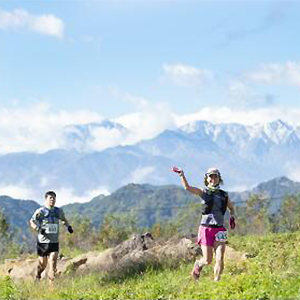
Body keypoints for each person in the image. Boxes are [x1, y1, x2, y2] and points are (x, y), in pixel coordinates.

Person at [173, 167, 236, 281]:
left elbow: (231, 208)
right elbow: (188, 188)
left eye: (215, 176)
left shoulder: (224, 195)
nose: (213, 178)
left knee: (220, 257)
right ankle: (198, 264)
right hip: (206, 229)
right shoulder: (204, 192)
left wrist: (232, 216)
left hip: (220, 229)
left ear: (219, 178)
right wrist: (182, 175)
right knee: (208, 260)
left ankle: (217, 282)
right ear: (206, 179)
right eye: (210, 176)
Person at [30, 191, 73, 283]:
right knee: (43, 264)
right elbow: (32, 221)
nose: (52, 200)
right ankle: (38, 275)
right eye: (50, 198)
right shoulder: (41, 211)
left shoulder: (58, 211)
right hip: (43, 242)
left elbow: (64, 220)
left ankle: (51, 286)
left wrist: (68, 226)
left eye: (54, 198)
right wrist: (38, 229)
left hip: (54, 241)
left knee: (53, 261)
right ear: (46, 199)